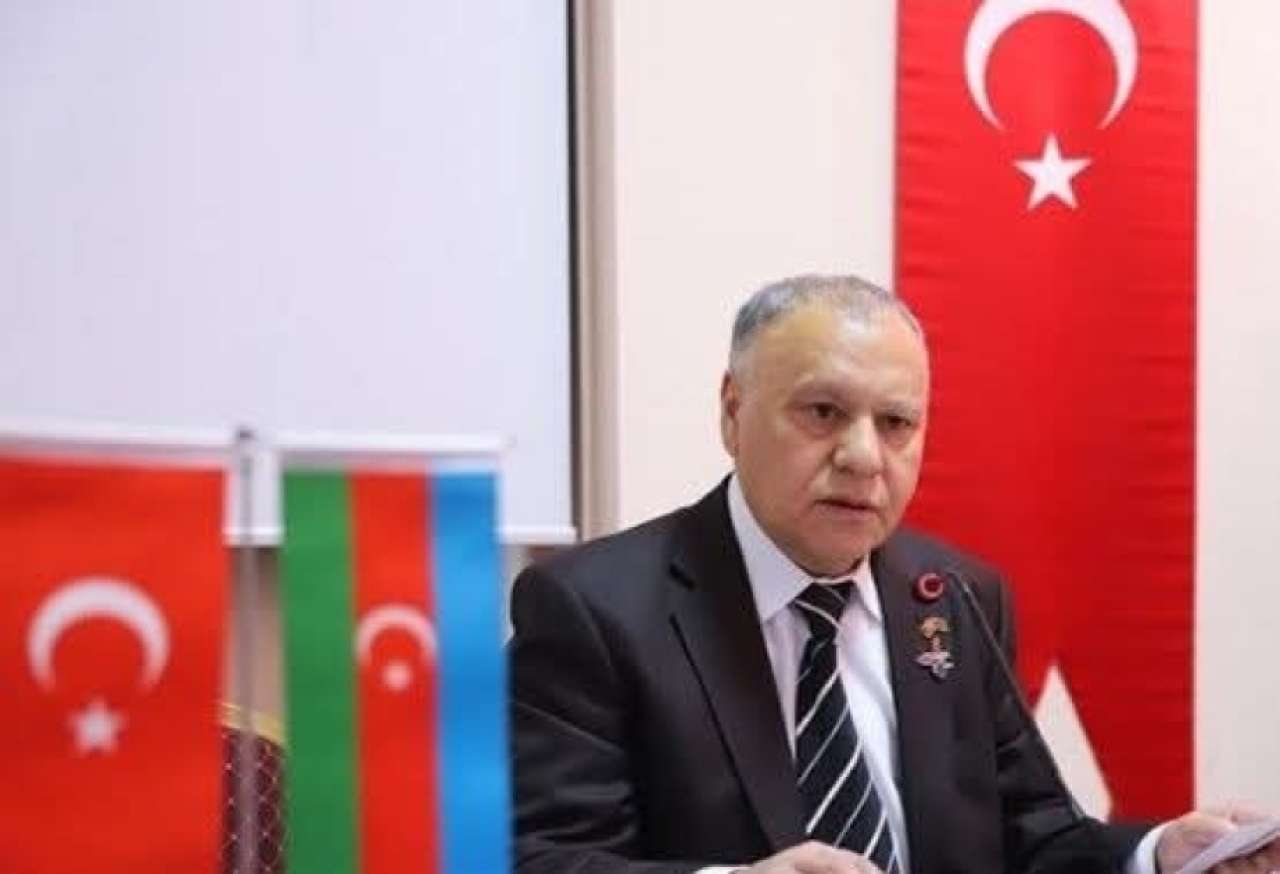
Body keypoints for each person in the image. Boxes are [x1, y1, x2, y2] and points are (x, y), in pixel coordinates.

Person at [509, 275, 1279, 873]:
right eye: (822, 413)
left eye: (896, 423)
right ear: (732, 412)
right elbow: (540, 859)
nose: (862, 457)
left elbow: (1034, 837)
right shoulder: (594, 610)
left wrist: (1156, 855)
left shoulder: (956, 597)